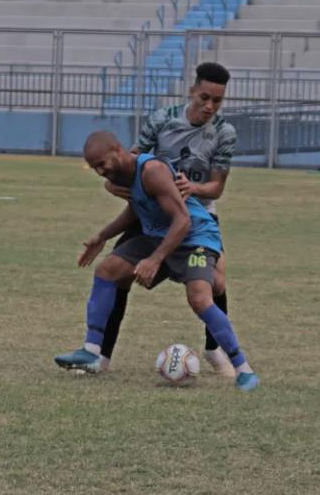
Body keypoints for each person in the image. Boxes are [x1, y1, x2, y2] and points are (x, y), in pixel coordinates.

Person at [53, 131, 258, 392]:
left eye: (101, 164)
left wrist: (155, 259)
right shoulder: (123, 176)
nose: (100, 172)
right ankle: (92, 351)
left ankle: (243, 369)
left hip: (195, 235)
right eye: (94, 168)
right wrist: (102, 236)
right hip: (160, 233)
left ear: (117, 150)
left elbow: (183, 220)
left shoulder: (152, 171)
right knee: (107, 270)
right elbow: (137, 210)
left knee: (199, 298)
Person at [98, 62, 236, 377]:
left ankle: (215, 350)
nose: (210, 106)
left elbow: (217, 187)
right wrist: (113, 183)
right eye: (205, 97)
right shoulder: (162, 120)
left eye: (217, 100)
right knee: (116, 275)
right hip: (151, 217)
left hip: (198, 218)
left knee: (216, 282)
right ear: (192, 91)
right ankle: (101, 355)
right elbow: (130, 161)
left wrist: (194, 187)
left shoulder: (224, 133)